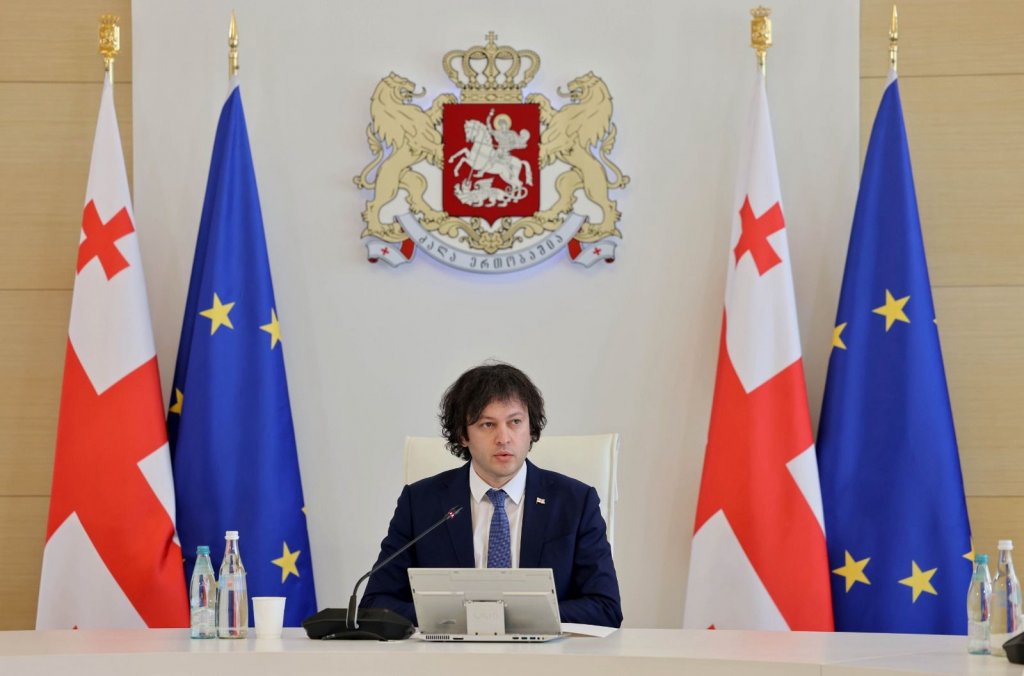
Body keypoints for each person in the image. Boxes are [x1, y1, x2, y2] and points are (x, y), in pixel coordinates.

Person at [360, 362, 623, 628]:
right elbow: (374, 605)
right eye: (487, 424)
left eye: (515, 422)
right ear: (463, 435)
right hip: (450, 651)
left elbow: (606, 608)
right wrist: (461, 616)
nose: (504, 438)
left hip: (543, 651)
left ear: (531, 429)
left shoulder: (575, 502)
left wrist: (514, 617)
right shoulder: (420, 503)